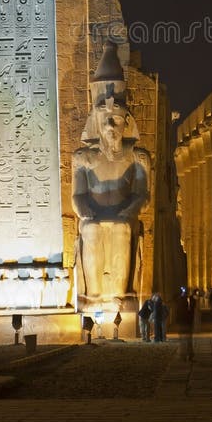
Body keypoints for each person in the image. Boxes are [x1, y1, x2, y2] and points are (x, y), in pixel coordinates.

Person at [72, 41, 150, 300]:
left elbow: (142, 195)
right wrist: (83, 210)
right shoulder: (83, 158)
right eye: (104, 121)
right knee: (92, 230)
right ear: (94, 121)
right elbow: (78, 195)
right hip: (94, 213)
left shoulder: (137, 157)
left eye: (115, 120)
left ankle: (117, 295)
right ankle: (94, 296)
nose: (109, 127)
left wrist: (131, 208)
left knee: (121, 229)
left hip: (122, 213)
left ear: (126, 121)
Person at [176, 287, 196, 361]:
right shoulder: (185, 302)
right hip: (186, 323)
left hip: (183, 323)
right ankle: (187, 355)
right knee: (187, 340)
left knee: (184, 340)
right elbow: (191, 310)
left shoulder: (180, 301)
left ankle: (184, 355)